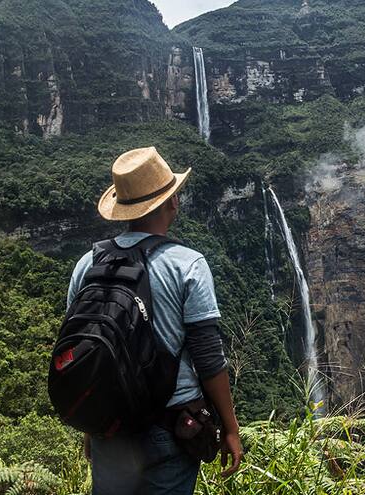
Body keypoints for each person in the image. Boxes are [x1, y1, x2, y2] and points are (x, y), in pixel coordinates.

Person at [66, 147, 243, 494]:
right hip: (172, 428)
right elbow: (208, 358)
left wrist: (91, 426)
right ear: (172, 202)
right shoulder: (187, 265)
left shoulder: (87, 265)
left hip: (110, 426)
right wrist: (230, 428)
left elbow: (87, 354)